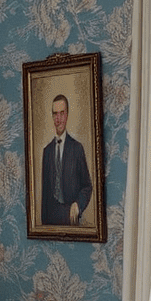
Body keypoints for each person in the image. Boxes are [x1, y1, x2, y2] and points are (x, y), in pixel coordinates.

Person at [40, 93, 92, 225]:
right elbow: (45, 195)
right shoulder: (46, 151)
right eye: (55, 114)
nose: (58, 119)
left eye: (62, 113)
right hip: (50, 218)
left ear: (67, 115)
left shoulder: (77, 148)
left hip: (70, 216)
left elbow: (87, 186)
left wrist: (78, 205)